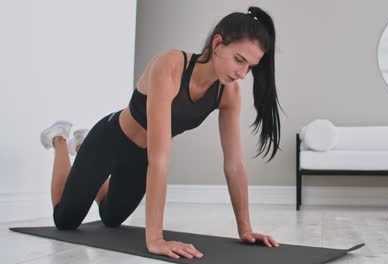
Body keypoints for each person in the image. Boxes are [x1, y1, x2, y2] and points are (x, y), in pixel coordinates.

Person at [39, 6, 282, 260]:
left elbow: (234, 165)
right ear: (218, 43)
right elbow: (160, 159)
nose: (242, 74)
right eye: (239, 60)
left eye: (250, 67)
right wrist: (155, 239)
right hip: (109, 140)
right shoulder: (172, 65)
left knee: (111, 218)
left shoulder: (228, 92)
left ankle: (80, 145)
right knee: (65, 220)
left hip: (139, 158)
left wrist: (246, 230)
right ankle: (60, 138)